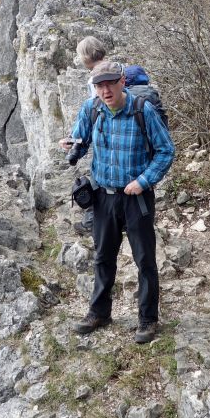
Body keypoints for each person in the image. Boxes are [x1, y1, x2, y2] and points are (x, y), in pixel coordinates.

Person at [60, 61, 175, 344]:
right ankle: (99, 312)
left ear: (122, 82)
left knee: (145, 259)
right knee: (102, 257)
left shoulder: (142, 110)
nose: (105, 90)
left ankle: (147, 320)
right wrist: (72, 144)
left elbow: (165, 151)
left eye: (110, 83)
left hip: (137, 197)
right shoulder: (92, 109)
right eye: (99, 85)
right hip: (103, 196)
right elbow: (81, 140)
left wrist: (144, 181)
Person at [73, 36, 109, 233]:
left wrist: (77, 140)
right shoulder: (118, 68)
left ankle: (91, 223)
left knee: (97, 178)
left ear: (85, 57)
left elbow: (94, 109)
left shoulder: (94, 77)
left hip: (106, 133)